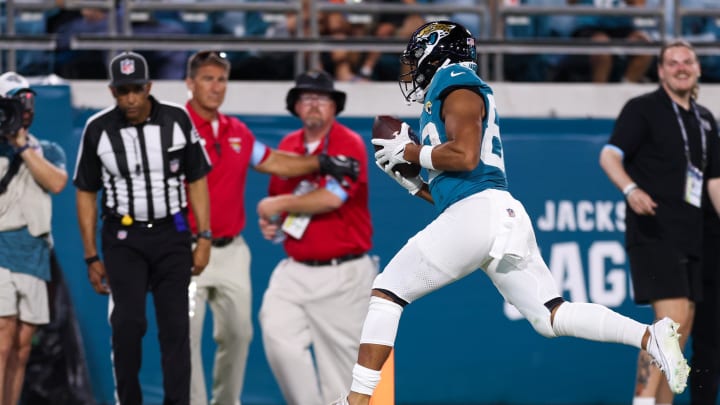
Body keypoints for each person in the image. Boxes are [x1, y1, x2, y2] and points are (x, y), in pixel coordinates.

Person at [334, 21, 692, 405]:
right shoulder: (454, 90)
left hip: (482, 211)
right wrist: (415, 184)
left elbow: (465, 155)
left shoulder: (454, 83)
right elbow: (457, 193)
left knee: (387, 292)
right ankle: (648, 335)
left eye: (415, 55)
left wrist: (410, 153)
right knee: (552, 316)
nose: (412, 66)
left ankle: (358, 401)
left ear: (436, 50)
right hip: (494, 213)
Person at [183, 51, 360, 405]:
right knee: (184, 338)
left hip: (231, 250)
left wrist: (322, 163)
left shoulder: (237, 132)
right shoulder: (173, 125)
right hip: (184, 250)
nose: (215, 87)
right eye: (207, 78)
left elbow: (274, 162)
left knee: (239, 335)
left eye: (221, 79)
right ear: (190, 83)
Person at [73, 51, 212, 405]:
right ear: (112, 92)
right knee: (128, 326)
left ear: (149, 87)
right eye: (123, 91)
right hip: (123, 239)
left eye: (136, 89)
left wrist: (205, 236)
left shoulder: (177, 120)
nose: (131, 98)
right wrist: (91, 255)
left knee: (176, 329)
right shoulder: (98, 129)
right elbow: (86, 192)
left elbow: (196, 179)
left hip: (171, 234)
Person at [599, 39, 720, 405]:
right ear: (662, 70)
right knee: (671, 325)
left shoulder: (705, 119)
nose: (681, 67)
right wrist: (631, 189)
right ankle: (644, 400)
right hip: (653, 230)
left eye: (688, 61)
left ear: (698, 69)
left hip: (692, 236)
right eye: (673, 62)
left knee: (680, 335)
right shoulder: (643, 109)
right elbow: (609, 155)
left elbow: (713, 182)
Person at [255, 69, 376, 405]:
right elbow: (280, 208)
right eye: (306, 98)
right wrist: (272, 222)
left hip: (344, 274)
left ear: (334, 107)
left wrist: (276, 203)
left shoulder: (348, 142)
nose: (314, 105)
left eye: (322, 98)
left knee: (342, 377)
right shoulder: (288, 145)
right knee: (278, 337)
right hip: (296, 268)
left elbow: (331, 198)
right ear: (295, 106)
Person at [0, 71, 68, 405]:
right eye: (16, 101)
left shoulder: (47, 149)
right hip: (0, 249)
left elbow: (56, 183)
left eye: (28, 100)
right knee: (2, 338)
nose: (24, 109)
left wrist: (22, 145)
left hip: (34, 254)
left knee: (23, 346)